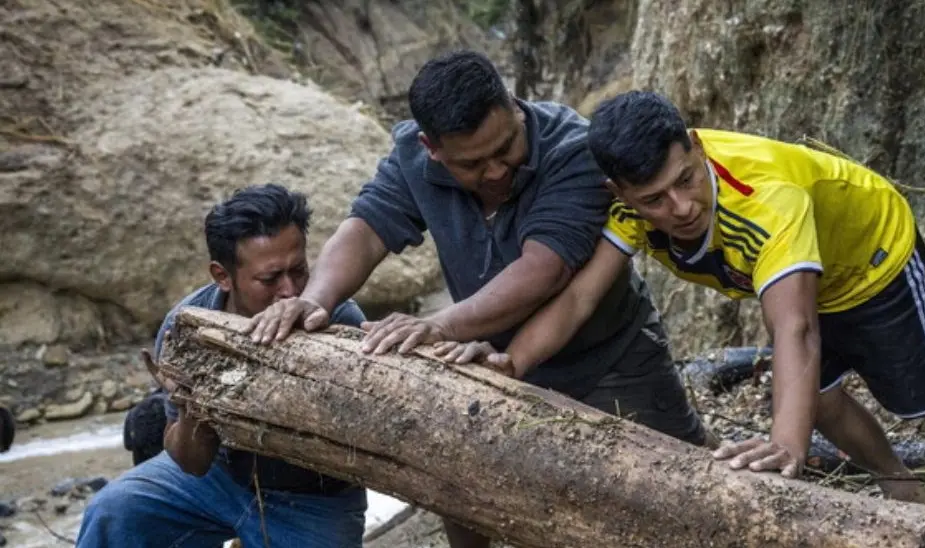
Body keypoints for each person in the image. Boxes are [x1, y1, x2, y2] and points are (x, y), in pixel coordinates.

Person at [244, 50, 710, 547]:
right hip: (488, 359)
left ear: (512, 104)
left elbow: (545, 269)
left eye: (505, 148)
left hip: (611, 359)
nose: (494, 171)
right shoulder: (411, 155)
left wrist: (441, 325)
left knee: (683, 495)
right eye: (472, 163)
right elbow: (367, 228)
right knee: (458, 484)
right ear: (432, 148)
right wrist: (317, 300)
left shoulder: (574, 149)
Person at [474, 90, 925, 503]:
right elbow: (578, 299)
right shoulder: (626, 208)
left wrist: (786, 445)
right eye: (655, 199)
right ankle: (900, 485)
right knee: (824, 400)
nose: (681, 207)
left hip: (869, 258)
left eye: (686, 179)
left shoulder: (766, 198)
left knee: (921, 399)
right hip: (799, 279)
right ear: (618, 194)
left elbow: (795, 329)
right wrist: (512, 361)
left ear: (693, 145)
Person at [77, 184, 369, 547]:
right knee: (113, 511)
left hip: (314, 499)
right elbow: (192, 463)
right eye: (269, 278)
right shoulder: (187, 326)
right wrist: (192, 404)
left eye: (299, 270)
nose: (290, 291)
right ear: (222, 275)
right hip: (217, 479)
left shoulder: (339, 317)